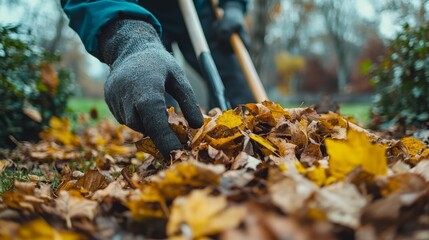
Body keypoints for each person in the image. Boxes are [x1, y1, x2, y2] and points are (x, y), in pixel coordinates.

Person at [61, 0, 254, 159]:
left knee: (235, 86)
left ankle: (250, 149)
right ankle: (174, 160)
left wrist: (234, 5)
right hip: (141, 9)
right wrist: (126, 38)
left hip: (201, 7)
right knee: (157, 102)